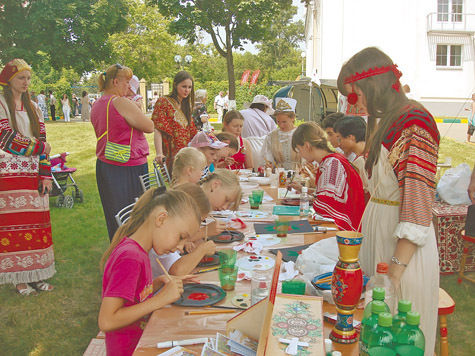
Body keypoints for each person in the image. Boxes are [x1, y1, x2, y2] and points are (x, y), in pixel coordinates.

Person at [337, 47, 440, 355]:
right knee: (372, 336)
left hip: (403, 250)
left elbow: (418, 204)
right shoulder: (386, 121)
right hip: (379, 237)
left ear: (373, 86)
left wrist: (394, 272)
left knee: (396, 337)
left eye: (355, 96)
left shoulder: (415, 124)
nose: (354, 104)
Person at [99, 188, 201, 356]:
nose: (181, 248)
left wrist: (159, 283)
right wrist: (160, 299)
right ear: (161, 219)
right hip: (130, 350)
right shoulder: (131, 258)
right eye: (181, 237)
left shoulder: (140, 250)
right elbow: (107, 320)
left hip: (141, 341)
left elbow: (131, 297)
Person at [0, 58, 55, 295]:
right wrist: (41, 149)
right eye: (21, 77)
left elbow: (42, 140)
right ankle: (18, 278)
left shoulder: (34, 107)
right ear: (10, 80)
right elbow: (6, 139)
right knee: (14, 227)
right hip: (10, 176)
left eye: (29, 78)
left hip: (33, 175)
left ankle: (37, 274)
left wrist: (46, 174)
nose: (26, 82)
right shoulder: (1, 105)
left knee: (36, 226)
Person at [91, 64, 154, 241]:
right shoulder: (120, 102)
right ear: (115, 81)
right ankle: (133, 252)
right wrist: (137, 106)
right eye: (126, 82)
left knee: (115, 214)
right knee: (135, 214)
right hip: (128, 166)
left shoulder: (97, 104)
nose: (129, 86)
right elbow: (149, 126)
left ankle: (118, 250)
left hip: (106, 164)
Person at [291, 122, 365, 231]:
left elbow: (327, 207)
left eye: (299, 150)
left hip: (344, 233)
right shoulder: (329, 161)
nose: (300, 154)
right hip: (339, 228)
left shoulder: (333, 163)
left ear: (307, 146)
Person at [150, 183, 215, 278]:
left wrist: (186, 241)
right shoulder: (161, 242)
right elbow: (177, 271)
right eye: (200, 221)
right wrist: (202, 250)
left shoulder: (166, 233)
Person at [152, 71, 198, 170]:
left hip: (186, 155)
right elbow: (158, 129)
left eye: (189, 87)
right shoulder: (163, 102)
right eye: (184, 86)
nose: (187, 90)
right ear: (175, 85)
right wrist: (159, 153)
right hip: (170, 153)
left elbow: (192, 132)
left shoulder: (186, 106)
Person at [263, 97, 300, 170]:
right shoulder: (272, 136)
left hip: (299, 174)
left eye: (284, 122)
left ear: (293, 118)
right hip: (279, 174)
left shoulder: (301, 134)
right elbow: (268, 156)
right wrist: (269, 164)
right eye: (278, 122)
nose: (281, 125)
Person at [334, 115, 368, 192]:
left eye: (339, 138)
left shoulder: (361, 161)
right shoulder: (367, 154)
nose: (339, 144)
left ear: (351, 137)